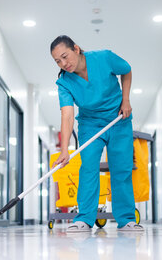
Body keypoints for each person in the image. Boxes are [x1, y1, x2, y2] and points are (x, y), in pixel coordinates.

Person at [50, 35, 143, 233]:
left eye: (65, 57)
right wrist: (64, 149)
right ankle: (84, 218)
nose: (63, 64)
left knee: (121, 168)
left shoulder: (104, 58)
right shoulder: (64, 83)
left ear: (76, 49)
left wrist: (126, 100)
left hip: (119, 118)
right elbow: (67, 115)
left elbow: (126, 71)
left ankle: (126, 219)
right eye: (58, 61)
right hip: (90, 124)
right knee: (88, 168)